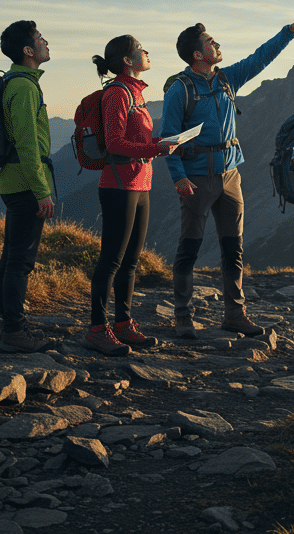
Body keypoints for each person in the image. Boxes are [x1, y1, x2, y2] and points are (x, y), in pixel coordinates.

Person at [161, 10, 294, 339]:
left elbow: (260, 58)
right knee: (190, 247)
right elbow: (168, 139)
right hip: (197, 178)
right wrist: (178, 177)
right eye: (209, 41)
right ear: (197, 55)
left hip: (230, 176)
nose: (216, 43)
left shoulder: (227, 79)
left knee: (234, 248)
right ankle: (182, 316)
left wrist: (290, 31)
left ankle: (235, 314)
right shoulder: (180, 90)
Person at [85, 36, 179, 356]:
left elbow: (135, 139)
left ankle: (123, 324)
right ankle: (98, 328)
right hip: (119, 186)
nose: (147, 52)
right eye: (141, 49)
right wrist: (156, 147)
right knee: (112, 259)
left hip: (141, 184)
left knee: (131, 261)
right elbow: (114, 143)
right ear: (127, 60)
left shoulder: (136, 92)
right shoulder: (118, 93)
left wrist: (160, 143)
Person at [0, 20, 56, 353]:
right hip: (24, 183)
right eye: (41, 39)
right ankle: (14, 332)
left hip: (13, 180)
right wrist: (41, 189)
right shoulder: (24, 87)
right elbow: (27, 143)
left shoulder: (19, 83)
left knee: (11, 256)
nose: (47, 42)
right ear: (28, 51)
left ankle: (8, 320)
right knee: (20, 260)